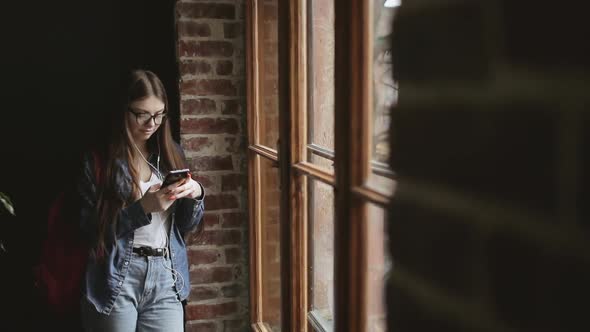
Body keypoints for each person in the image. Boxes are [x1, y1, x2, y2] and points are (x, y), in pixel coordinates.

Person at [76, 69, 205, 331]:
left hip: (167, 274)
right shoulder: (100, 162)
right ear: (123, 110)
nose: (151, 123)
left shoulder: (170, 154)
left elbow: (185, 227)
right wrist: (143, 208)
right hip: (115, 276)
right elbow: (89, 231)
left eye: (158, 115)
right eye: (142, 114)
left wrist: (196, 194)